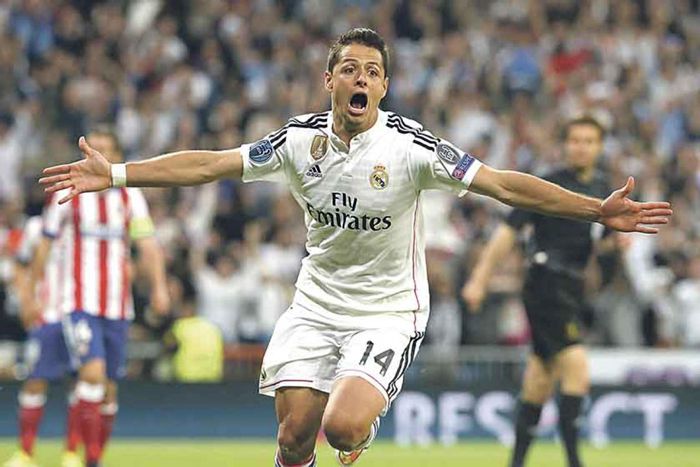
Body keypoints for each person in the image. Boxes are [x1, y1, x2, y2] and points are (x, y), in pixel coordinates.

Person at [39, 29, 671, 467]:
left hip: (388, 310)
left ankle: (357, 434)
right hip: (316, 305)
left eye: (372, 71)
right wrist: (115, 174)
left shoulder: (412, 148)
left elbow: (503, 185)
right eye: (349, 69)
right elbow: (209, 164)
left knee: (341, 426)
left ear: (384, 86)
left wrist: (595, 209)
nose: (360, 78)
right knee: (293, 439)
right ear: (330, 81)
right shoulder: (297, 141)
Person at [462, 116, 614, 467]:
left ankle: (516, 462)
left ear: (599, 147)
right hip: (545, 282)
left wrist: (614, 246)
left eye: (589, 141)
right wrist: (480, 278)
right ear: (565, 145)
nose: (581, 147)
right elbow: (508, 232)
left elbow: (600, 243)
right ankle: (575, 461)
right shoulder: (547, 184)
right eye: (575, 140)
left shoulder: (602, 188)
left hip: (573, 287)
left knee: (539, 379)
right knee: (576, 366)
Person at [36, 127, 170, 467]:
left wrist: (159, 287)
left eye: (105, 149)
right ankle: (84, 457)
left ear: (116, 156)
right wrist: (36, 292)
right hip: (78, 302)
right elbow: (45, 244)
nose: (96, 155)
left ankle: (91, 456)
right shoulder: (67, 192)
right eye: (92, 149)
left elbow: (147, 244)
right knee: (92, 374)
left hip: (117, 307)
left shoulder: (129, 196)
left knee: (108, 390)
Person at [4, 216, 82, 467]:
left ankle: (71, 453)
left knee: (79, 384)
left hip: (80, 315)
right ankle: (26, 453)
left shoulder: (85, 221)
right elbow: (19, 265)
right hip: (46, 317)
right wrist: (27, 301)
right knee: (35, 381)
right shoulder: (36, 226)